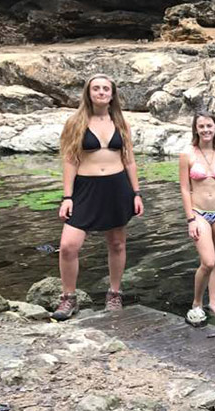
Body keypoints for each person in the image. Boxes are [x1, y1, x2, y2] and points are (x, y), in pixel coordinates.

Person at [52, 74, 144, 321]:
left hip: (117, 188)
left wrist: (136, 193)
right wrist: (67, 196)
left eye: (106, 88)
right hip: (86, 189)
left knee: (117, 244)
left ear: (112, 94)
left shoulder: (121, 122)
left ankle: (114, 293)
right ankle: (68, 298)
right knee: (69, 246)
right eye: (96, 88)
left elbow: (130, 160)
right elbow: (70, 160)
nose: (101, 92)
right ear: (88, 93)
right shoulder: (75, 122)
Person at [179, 111, 215, 326]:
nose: (205, 130)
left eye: (209, 126)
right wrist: (190, 219)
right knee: (208, 261)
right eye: (201, 126)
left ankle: (213, 303)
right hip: (199, 213)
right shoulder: (187, 154)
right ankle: (197, 302)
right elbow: (185, 190)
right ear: (196, 129)